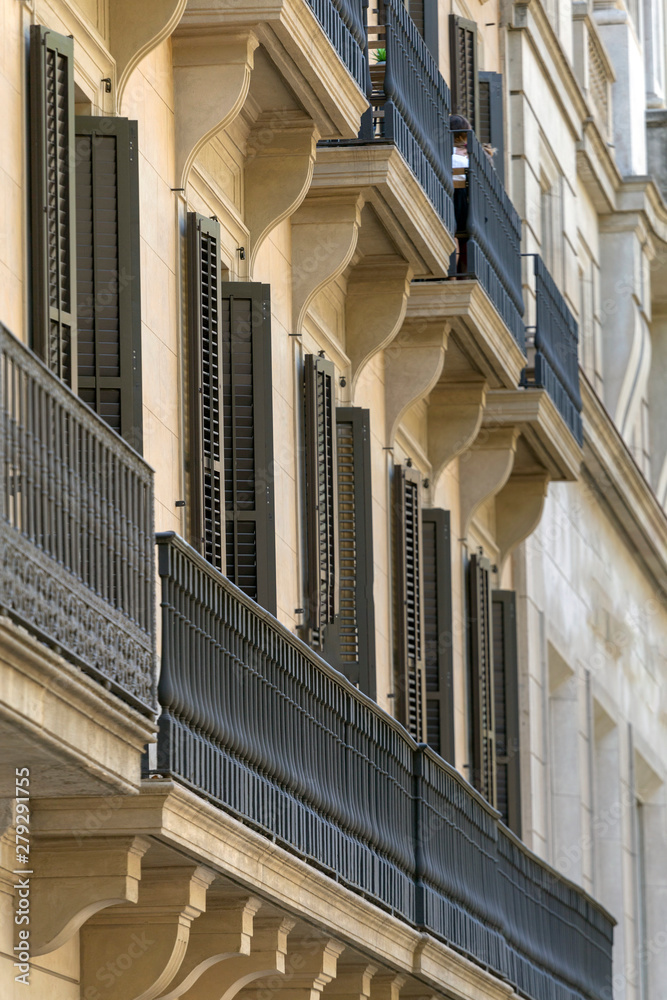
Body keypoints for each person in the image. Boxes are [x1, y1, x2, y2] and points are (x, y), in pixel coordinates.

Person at [450, 114, 471, 274]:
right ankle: (461, 275)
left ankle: (453, 276)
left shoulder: (447, 153)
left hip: (448, 199)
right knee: (462, 240)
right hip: (461, 205)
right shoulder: (465, 158)